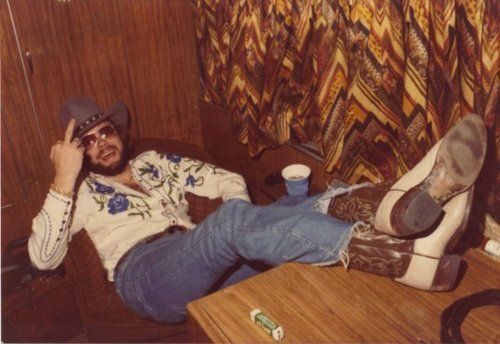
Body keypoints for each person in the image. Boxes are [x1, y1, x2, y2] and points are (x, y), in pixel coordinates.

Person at [29, 96, 487, 324]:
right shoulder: (78, 192)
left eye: (104, 131)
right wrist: (64, 176)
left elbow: (225, 179)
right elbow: (42, 257)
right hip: (147, 278)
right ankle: (401, 246)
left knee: (315, 198)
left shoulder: (155, 163)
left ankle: (400, 216)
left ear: (119, 132)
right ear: (76, 154)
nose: (100, 143)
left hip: (201, 259)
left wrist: (245, 227)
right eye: (85, 142)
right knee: (234, 223)